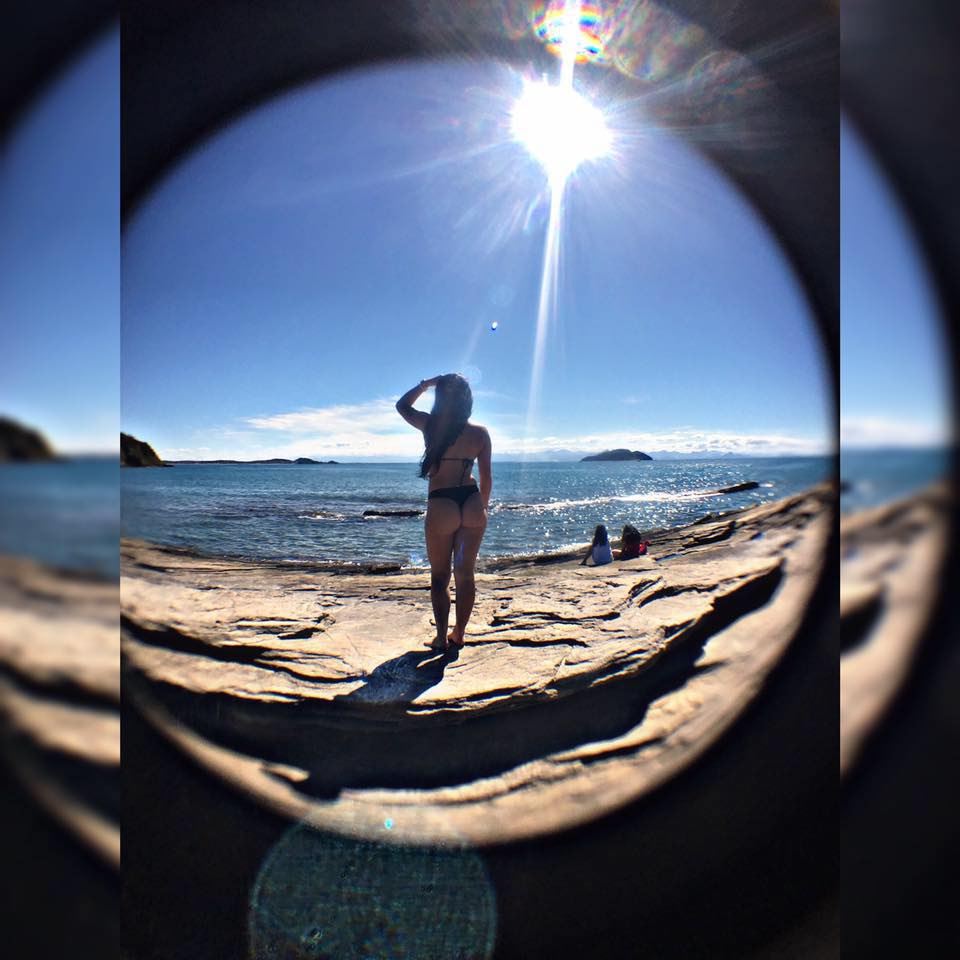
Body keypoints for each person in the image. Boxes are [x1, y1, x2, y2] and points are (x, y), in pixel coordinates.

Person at [396, 374, 492, 651]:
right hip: (471, 500)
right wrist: (482, 509)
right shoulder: (480, 433)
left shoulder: (431, 425)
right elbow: (486, 478)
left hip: (442, 503)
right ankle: (459, 634)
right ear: (467, 400)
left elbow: (402, 406)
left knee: (440, 577)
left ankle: (441, 638)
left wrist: (425, 384)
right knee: (466, 574)